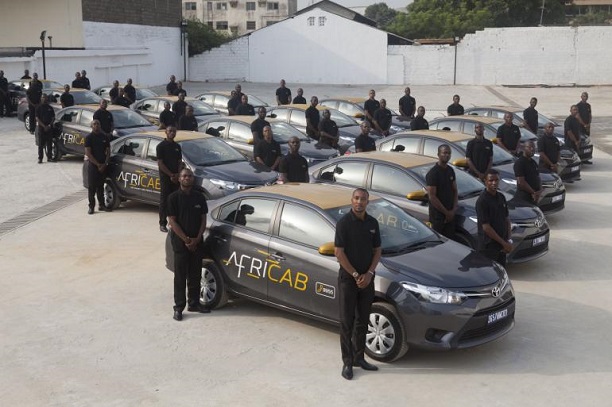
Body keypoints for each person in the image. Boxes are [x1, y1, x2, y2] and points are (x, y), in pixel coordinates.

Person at [334, 188, 381, 380]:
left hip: (367, 280)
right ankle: (347, 362)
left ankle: (359, 357)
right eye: (356, 198)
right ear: (351, 200)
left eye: (363, 199)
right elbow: (339, 252)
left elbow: (377, 250)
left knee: (363, 320)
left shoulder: (372, 223)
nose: (359, 202)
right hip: (348, 280)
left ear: (368, 202)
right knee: (347, 322)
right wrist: (355, 274)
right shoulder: (344, 223)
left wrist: (369, 274)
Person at [167, 168, 210, 321]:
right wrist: (186, 240)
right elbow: (172, 221)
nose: (187, 178)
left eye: (190, 176)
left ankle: (194, 303)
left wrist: (197, 239)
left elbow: (203, 219)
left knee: (195, 274)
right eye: (184, 176)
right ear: (179, 178)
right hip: (180, 243)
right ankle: (179, 307)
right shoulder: (173, 198)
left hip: (197, 242)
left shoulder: (199, 197)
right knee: (180, 276)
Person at [475, 170, 512, 266]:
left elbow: (506, 219)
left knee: (502, 271)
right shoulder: (482, 201)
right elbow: (486, 227)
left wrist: (508, 239)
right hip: (488, 247)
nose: (494, 183)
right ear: (485, 181)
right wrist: (504, 244)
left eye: (496, 180)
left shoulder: (501, 197)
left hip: (502, 245)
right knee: (489, 273)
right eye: (491, 180)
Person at [426, 144, 458, 240]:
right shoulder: (433, 173)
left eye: (449, 153)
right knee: (439, 242)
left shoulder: (450, 170)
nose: (447, 155)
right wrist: (446, 213)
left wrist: (453, 210)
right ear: (438, 154)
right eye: (444, 153)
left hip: (450, 215)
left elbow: (455, 191)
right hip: (438, 217)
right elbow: (432, 196)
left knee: (451, 241)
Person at [157, 126, 183, 233]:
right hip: (166, 178)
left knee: (176, 200)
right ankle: (162, 223)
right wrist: (171, 175)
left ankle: (174, 222)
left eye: (174, 131)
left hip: (176, 178)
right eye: (170, 131)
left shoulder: (177, 146)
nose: (172, 133)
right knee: (164, 201)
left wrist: (178, 174)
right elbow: (160, 163)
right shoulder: (161, 146)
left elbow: (179, 162)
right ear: (166, 132)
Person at [84, 120, 111, 214]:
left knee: (100, 187)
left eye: (98, 124)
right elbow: (88, 153)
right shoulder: (89, 138)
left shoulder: (104, 137)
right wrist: (98, 164)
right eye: (94, 124)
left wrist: (105, 164)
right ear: (91, 126)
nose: (96, 126)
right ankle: (91, 207)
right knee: (92, 188)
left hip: (103, 166)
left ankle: (102, 205)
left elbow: (108, 151)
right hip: (93, 166)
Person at [513, 141, 541, 205]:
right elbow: (521, 183)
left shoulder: (533, 162)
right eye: (529, 147)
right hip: (524, 197)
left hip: (534, 196)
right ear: (523, 148)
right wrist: (533, 192)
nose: (532, 149)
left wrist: (539, 191)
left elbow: (538, 177)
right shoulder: (520, 163)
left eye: (533, 147)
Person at [35, 94, 55, 163]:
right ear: (41, 98)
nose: (44, 99)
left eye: (45, 97)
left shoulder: (50, 108)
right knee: (41, 144)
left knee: (49, 144)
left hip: (49, 128)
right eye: (43, 97)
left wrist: (49, 125)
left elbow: (53, 118)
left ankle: (49, 157)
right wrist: (44, 126)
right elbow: (37, 118)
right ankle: (40, 158)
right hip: (41, 128)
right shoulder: (38, 108)